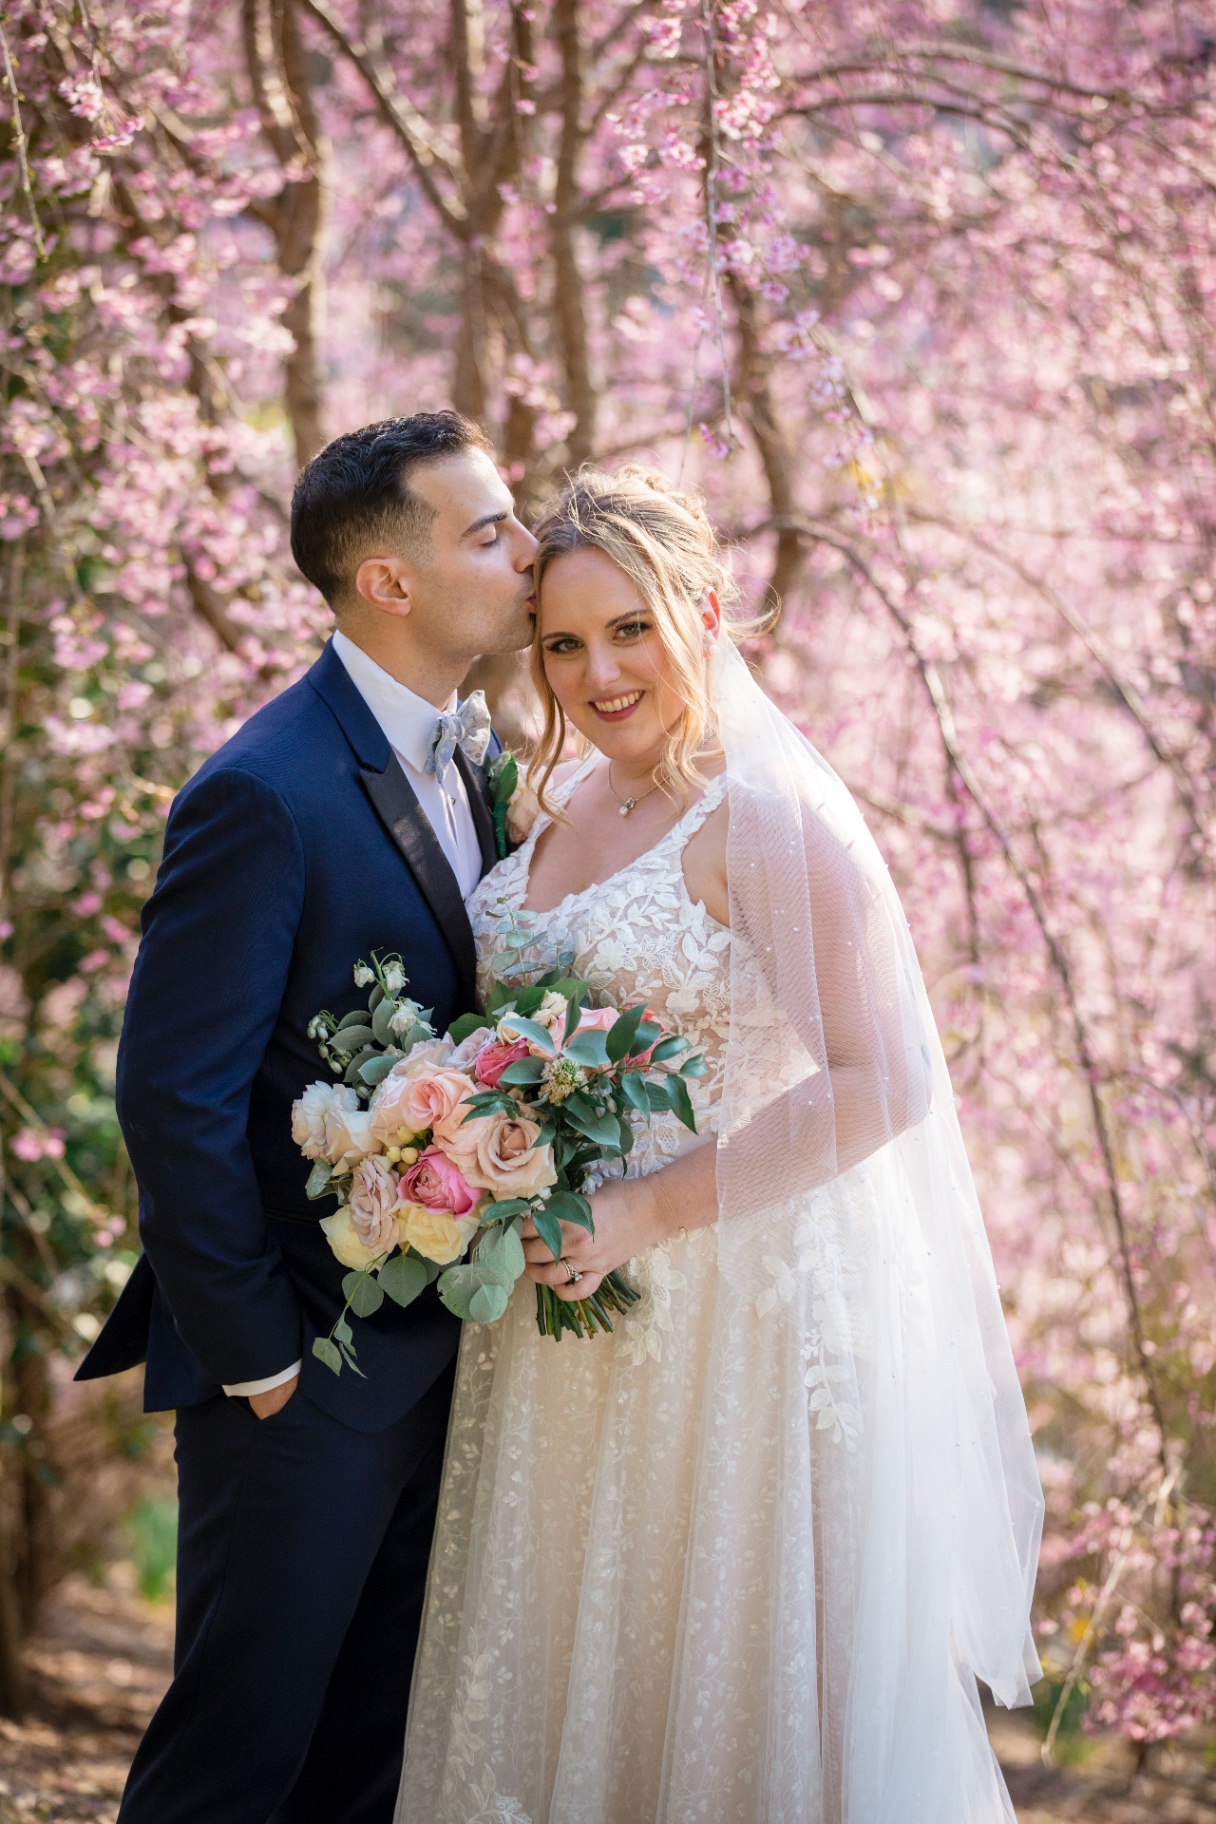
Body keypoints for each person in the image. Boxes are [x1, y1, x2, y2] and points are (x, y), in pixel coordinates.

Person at [398, 465, 1044, 1824]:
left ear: (700, 611)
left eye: (630, 628)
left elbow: (884, 1080)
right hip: (550, 1326)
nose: (598, 673)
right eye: (565, 643)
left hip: (715, 1332)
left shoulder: (762, 821)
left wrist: (645, 1214)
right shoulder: (552, 811)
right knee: (564, 1655)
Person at [75, 411, 538, 1823]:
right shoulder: (260, 791)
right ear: (387, 582)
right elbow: (174, 1091)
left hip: (442, 1360)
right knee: (235, 1761)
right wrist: (258, 1357)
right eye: (488, 531)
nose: (528, 553)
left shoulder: (474, 760)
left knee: (363, 1772)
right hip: (301, 1378)